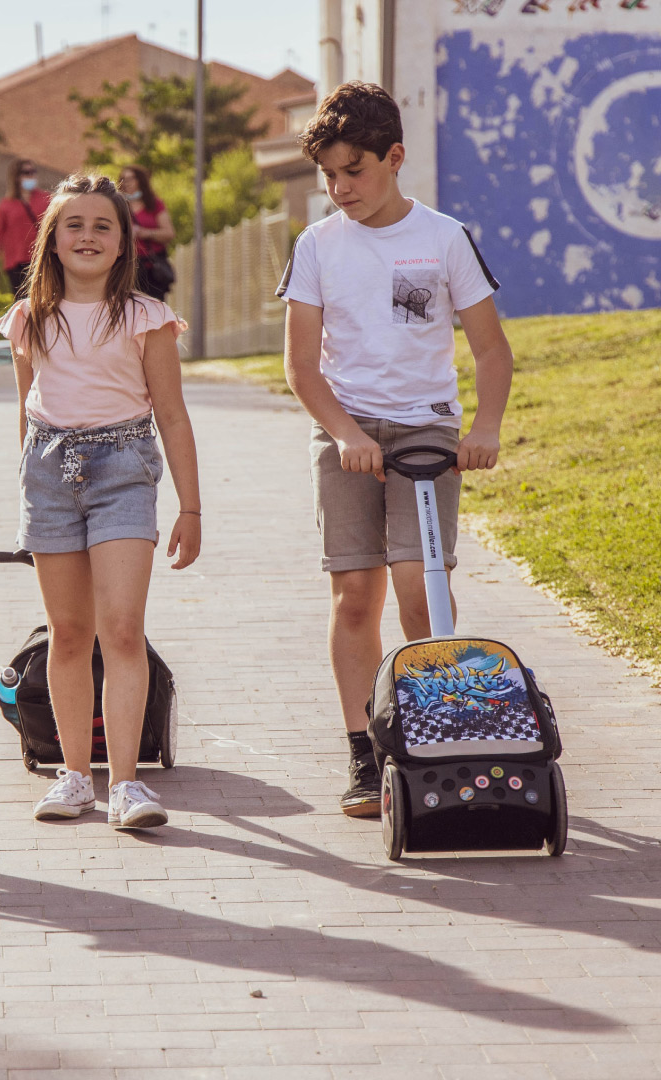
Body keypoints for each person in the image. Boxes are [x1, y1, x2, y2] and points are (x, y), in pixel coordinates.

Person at [277, 82, 513, 818]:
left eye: (354, 170)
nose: (340, 188)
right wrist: (345, 433)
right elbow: (302, 367)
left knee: (419, 590)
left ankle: (441, 729)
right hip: (346, 428)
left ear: (394, 157)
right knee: (355, 598)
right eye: (329, 177)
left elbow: (491, 349)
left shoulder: (442, 238)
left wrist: (484, 428)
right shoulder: (317, 245)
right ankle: (364, 751)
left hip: (424, 433)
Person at [0, 174, 201, 829]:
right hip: (49, 476)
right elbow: (26, 410)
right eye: (73, 225)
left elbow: (171, 414)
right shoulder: (30, 317)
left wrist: (190, 509)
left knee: (120, 629)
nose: (87, 235)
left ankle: (129, 786)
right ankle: (75, 777)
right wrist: (26, 488)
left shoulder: (147, 317)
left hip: (124, 468)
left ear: (123, 243)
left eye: (101, 226)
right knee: (69, 634)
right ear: (51, 240)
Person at [0, 158, 51, 297]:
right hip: (17, 262)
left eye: (33, 171)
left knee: (44, 299)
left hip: (42, 258)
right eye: (26, 172)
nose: (31, 175)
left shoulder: (46, 199)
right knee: (23, 303)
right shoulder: (6, 205)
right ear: (16, 177)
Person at [118, 164, 176, 301]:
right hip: (127, 266)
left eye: (131, 179)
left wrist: (146, 233)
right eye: (124, 179)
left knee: (153, 306)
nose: (127, 183)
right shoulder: (120, 205)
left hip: (150, 268)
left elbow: (169, 233)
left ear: (140, 180)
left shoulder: (154, 204)